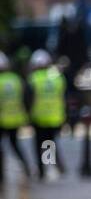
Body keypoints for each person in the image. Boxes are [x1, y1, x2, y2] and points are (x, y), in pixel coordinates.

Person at [26, 50, 66, 180]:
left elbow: (28, 99)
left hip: (39, 117)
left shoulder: (33, 78)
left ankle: (43, 171)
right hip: (55, 117)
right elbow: (63, 97)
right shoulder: (58, 78)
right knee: (49, 143)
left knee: (40, 145)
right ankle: (52, 166)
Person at [0, 52, 32, 183]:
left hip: (2, 120)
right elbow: (26, 97)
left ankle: (2, 176)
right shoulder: (16, 79)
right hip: (16, 119)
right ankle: (36, 168)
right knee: (16, 146)